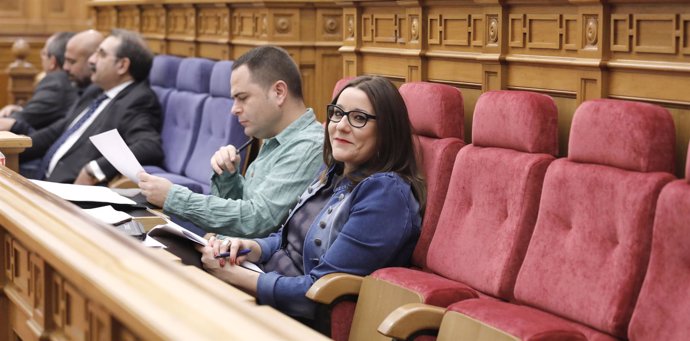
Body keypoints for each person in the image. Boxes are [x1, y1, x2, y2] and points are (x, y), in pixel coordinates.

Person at [197, 76, 425, 323]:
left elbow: (320, 291)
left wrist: (231, 275)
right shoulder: (336, 172)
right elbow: (285, 239)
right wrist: (247, 248)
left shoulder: (386, 194)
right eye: (337, 113)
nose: (341, 126)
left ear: (387, 131)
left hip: (297, 320)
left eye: (359, 118)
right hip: (265, 293)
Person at [138, 45, 324, 238]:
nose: (234, 109)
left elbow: (257, 220)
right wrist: (229, 177)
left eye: (242, 98)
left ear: (279, 92)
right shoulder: (273, 136)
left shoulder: (309, 145)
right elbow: (242, 212)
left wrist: (173, 198)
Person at [18, 28, 162, 184]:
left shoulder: (138, 100)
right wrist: (14, 146)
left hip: (68, 192)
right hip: (42, 176)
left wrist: (95, 170)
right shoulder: (96, 90)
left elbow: (149, 146)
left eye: (101, 54)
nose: (92, 60)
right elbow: (57, 131)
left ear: (122, 65)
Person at [0, 32, 78, 134]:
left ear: (53, 62)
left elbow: (18, 120)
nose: (41, 57)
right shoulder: (74, 82)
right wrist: (19, 109)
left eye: (44, 53)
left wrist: (9, 116)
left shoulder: (56, 82)